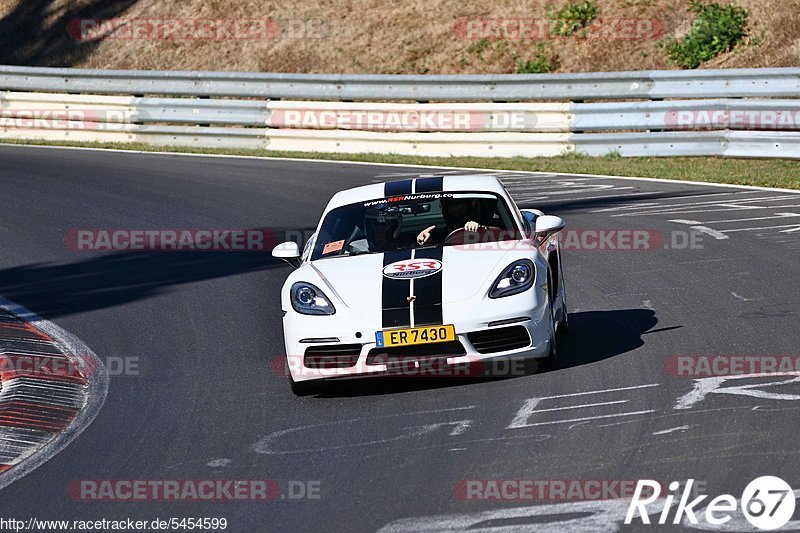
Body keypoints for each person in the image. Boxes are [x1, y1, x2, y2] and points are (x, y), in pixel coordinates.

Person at [416, 197, 484, 246]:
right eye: (453, 212)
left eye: (461, 210)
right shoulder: (441, 235)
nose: (458, 216)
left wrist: (478, 228)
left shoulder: (484, 227)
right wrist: (426, 240)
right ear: (447, 213)